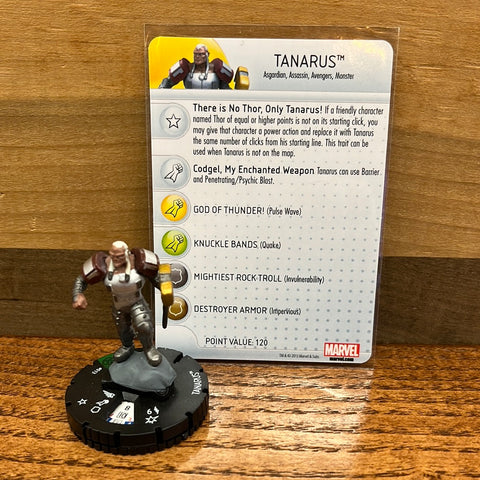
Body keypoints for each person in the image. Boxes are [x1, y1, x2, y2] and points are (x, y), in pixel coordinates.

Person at [72, 241, 173, 367]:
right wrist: (78, 294)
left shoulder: (139, 263)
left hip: (136, 302)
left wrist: (165, 288)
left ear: (127, 253)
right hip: (118, 305)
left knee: (144, 326)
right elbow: (81, 279)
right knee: (123, 329)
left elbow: (156, 277)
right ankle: (127, 346)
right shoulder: (102, 265)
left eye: (119, 256)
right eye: (113, 256)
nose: (116, 259)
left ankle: (149, 348)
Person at [160, 43, 247, 89]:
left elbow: (225, 89)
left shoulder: (216, 68)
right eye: (196, 54)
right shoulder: (186, 67)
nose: (197, 57)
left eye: (201, 54)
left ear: (207, 55)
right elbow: (167, 83)